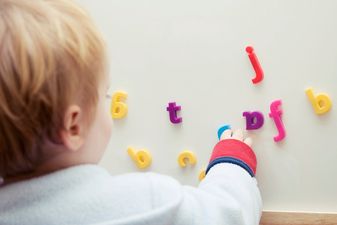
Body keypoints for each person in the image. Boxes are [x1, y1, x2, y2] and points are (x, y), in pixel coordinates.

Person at [0, 0, 262, 224]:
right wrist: (231, 164)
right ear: (73, 126)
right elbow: (228, 216)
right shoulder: (147, 202)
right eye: (104, 96)